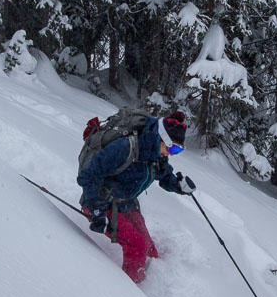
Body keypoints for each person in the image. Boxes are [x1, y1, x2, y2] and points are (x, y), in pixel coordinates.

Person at [76, 111, 196, 283]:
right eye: (172, 148)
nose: (171, 153)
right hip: (101, 204)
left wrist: (179, 185)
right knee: (137, 246)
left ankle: (152, 283)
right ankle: (132, 295)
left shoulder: (155, 154)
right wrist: (96, 210)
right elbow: (88, 176)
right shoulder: (125, 148)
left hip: (126, 204)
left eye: (177, 150)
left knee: (149, 249)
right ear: (161, 137)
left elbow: (164, 176)